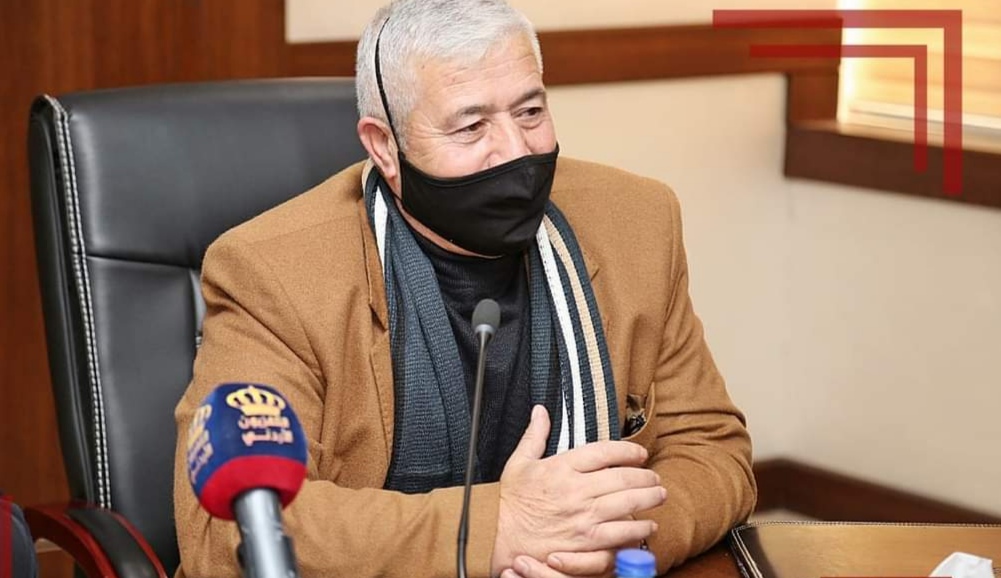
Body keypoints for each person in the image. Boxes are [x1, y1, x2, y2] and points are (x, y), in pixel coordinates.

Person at [172, 1, 756, 577]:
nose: (516, 150)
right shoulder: (272, 272)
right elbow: (229, 530)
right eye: (472, 126)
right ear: (385, 147)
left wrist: (608, 542)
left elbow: (711, 448)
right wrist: (499, 527)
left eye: (530, 112)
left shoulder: (637, 221)